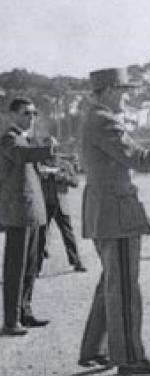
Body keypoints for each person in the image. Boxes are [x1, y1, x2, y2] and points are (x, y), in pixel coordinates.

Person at [78, 67, 150, 375]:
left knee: (111, 283)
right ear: (110, 90)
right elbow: (137, 159)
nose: (127, 97)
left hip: (111, 211)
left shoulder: (96, 119)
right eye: (124, 91)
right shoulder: (105, 121)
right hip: (115, 214)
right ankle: (128, 357)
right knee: (124, 287)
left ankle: (95, 349)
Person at [0, 97, 54, 335]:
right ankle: (11, 320)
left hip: (32, 212)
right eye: (26, 113)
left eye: (34, 113)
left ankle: (25, 312)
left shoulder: (23, 139)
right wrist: (48, 149)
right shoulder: (9, 138)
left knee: (31, 266)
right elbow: (22, 156)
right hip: (19, 213)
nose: (31, 118)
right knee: (16, 267)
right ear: (12, 115)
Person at [37, 152, 86, 274]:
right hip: (45, 204)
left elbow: (75, 182)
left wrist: (63, 177)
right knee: (41, 236)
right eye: (48, 147)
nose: (51, 151)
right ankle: (35, 267)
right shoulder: (39, 164)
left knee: (68, 234)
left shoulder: (65, 164)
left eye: (53, 147)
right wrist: (42, 176)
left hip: (61, 205)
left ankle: (76, 262)